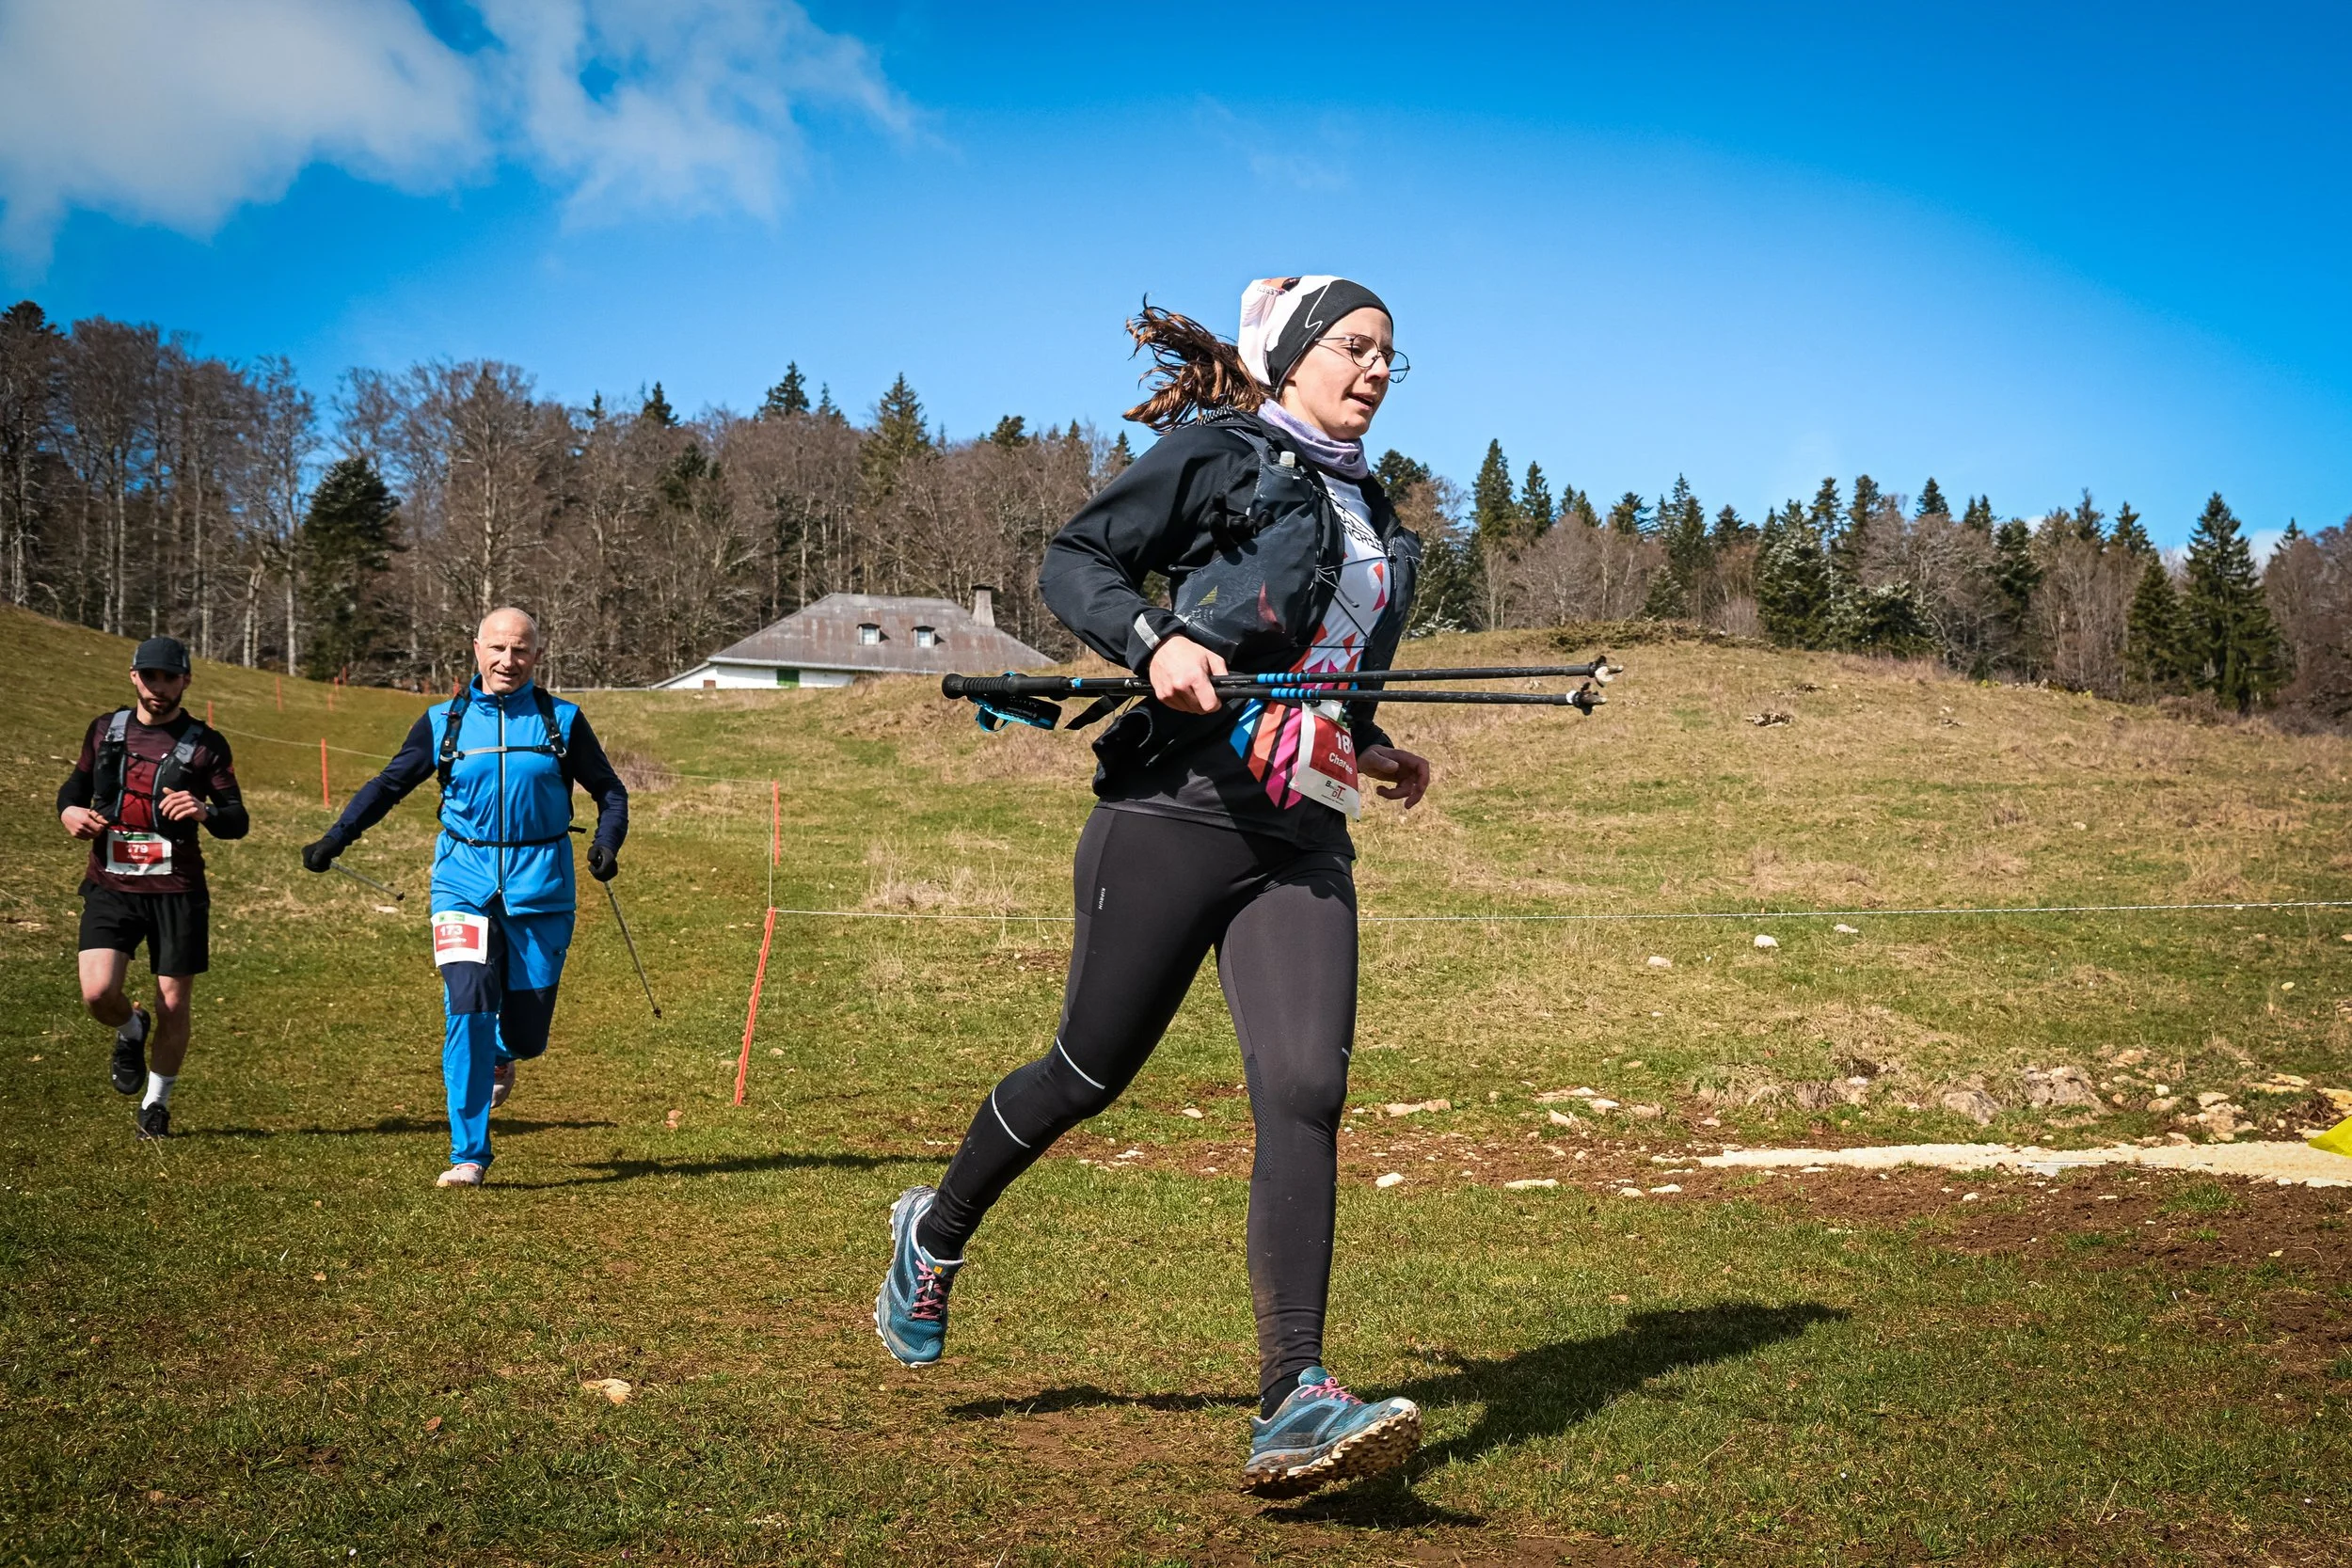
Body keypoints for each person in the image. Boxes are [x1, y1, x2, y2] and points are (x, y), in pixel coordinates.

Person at [877, 277, 1435, 1497]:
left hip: (1304, 826)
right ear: (1291, 354)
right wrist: (1154, 640)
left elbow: (1328, 660)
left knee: (1306, 1087)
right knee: (1088, 1069)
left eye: (1393, 354)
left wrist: (1374, 740)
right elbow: (1073, 560)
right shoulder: (1224, 455)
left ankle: (1293, 1394)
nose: (1379, 368)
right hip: (1176, 806)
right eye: (1355, 345)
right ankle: (939, 1224)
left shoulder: (1376, 508)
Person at [301, 608, 628, 1188]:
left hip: (542, 885)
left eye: (521, 650)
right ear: (476, 649)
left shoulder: (563, 721)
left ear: (537, 654)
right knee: (468, 1001)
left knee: (527, 1033)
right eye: (498, 648)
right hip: (462, 880)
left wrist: (606, 842)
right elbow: (388, 786)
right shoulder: (443, 722)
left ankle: (506, 1051)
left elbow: (610, 790)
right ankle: (469, 1154)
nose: (508, 661)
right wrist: (336, 838)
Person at [56, 636, 249, 1138]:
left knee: (173, 1003)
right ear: (134, 676)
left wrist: (206, 811)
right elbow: (74, 789)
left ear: (186, 680)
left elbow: (237, 820)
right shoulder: (105, 731)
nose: (159, 688)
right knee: (98, 993)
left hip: (178, 890)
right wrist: (68, 812)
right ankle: (129, 1027)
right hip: (110, 884)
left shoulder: (206, 745)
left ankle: (156, 1104)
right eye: (150, 677)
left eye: (170, 678)